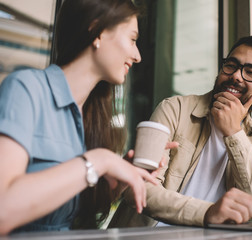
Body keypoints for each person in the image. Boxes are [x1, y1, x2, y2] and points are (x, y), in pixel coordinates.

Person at [0, 0, 176, 235]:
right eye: (133, 39)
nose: (137, 55)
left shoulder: (93, 114)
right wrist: (99, 161)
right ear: (98, 32)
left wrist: (121, 177)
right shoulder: (25, 88)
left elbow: (79, 213)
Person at [111, 35, 252, 228]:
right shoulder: (175, 109)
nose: (235, 75)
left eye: (251, 72)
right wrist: (207, 213)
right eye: (231, 65)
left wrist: (234, 133)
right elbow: (141, 187)